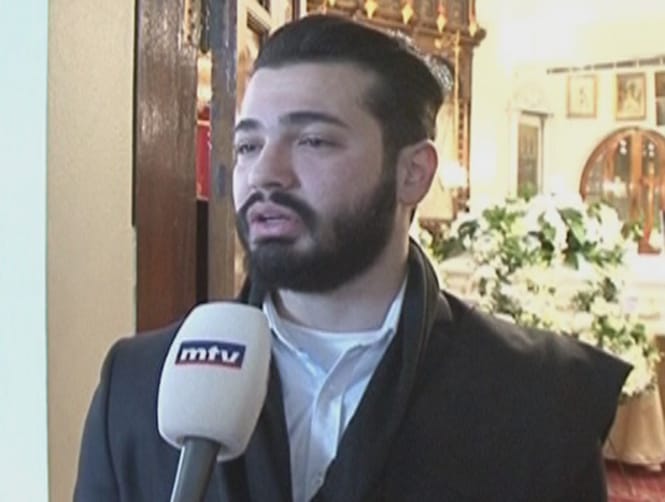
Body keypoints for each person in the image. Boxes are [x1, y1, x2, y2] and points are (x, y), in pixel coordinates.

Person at [74, 14, 631, 502]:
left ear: (412, 173)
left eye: (313, 141)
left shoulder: (540, 398)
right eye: (248, 145)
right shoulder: (138, 384)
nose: (265, 173)